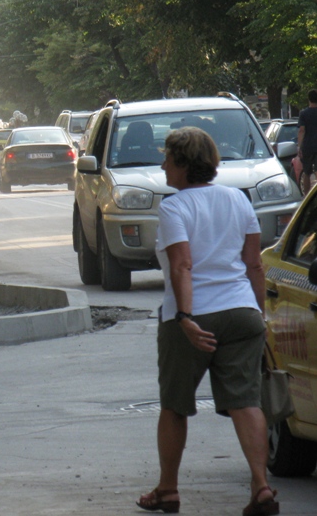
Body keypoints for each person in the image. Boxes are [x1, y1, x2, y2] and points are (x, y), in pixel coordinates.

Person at [137, 127, 278, 516]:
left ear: (183, 164)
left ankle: (168, 489)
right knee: (246, 401)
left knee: (175, 405)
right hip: (242, 313)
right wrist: (259, 316)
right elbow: (254, 265)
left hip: (193, 317)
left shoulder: (174, 208)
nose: (163, 165)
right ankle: (261, 486)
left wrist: (184, 316)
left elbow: (182, 265)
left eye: (167, 157)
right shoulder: (238, 199)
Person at [297, 88, 317, 195]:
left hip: (308, 146)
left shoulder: (304, 113)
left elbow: (301, 130)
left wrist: (299, 146)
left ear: (308, 99)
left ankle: (307, 197)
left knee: (307, 172)